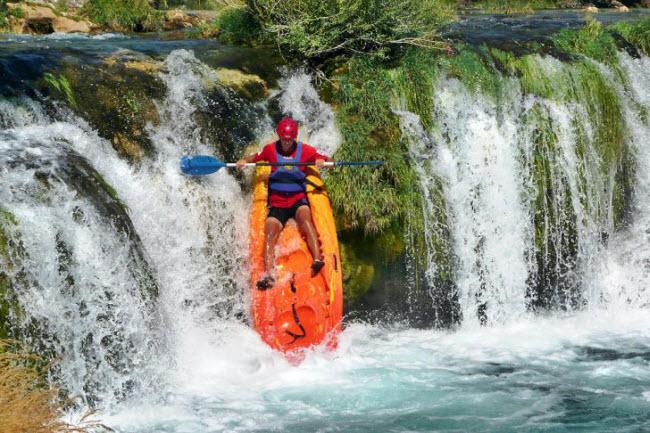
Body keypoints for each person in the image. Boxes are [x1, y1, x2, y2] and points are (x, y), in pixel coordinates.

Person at [237, 117, 334, 290]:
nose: (287, 143)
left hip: (297, 199)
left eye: (290, 139)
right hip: (277, 203)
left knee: (305, 220)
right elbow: (255, 157)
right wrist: (244, 161)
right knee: (270, 233)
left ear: (294, 137)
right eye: (284, 139)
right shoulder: (270, 150)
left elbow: (329, 161)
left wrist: (323, 162)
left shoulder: (306, 151)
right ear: (279, 136)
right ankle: (269, 275)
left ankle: (318, 259)